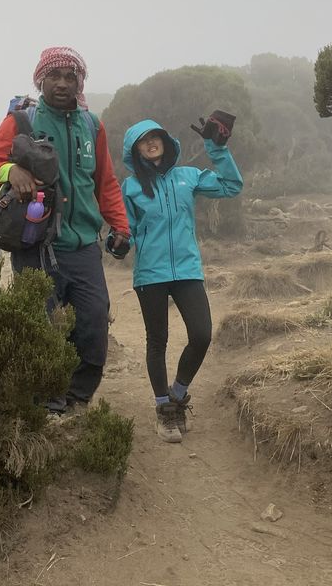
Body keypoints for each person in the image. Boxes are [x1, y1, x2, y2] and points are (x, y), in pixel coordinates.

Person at [0, 46, 130, 413]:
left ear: (80, 82)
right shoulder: (21, 122)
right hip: (35, 245)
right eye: (54, 76)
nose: (62, 83)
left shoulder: (93, 125)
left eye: (70, 76)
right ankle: (47, 404)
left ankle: (78, 397)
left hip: (83, 246)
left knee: (93, 322)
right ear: (40, 79)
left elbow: (105, 181)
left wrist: (120, 225)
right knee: (41, 327)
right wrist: (10, 171)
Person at [121, 115, 243, 443]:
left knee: (202, 334)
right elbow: (125, 229)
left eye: (155, 136)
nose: (150, 142)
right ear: (135, 149)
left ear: (164, 141)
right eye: (143, 140)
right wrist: (117, 242)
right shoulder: (131, 187)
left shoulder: (188, 177)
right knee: (157, 340)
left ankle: (177, 393)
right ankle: (164, 409)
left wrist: (216, 149)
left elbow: (232, 186)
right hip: (151, 273)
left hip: (187, 269)